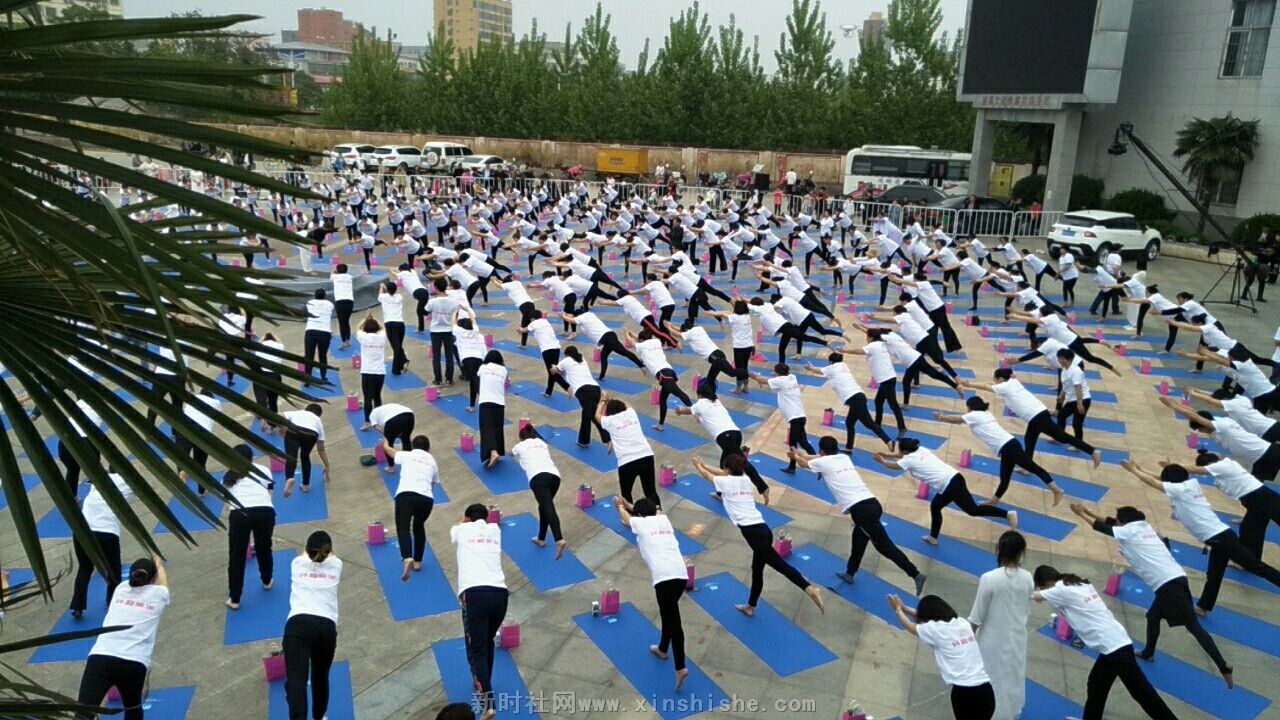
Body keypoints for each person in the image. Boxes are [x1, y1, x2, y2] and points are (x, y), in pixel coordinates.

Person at [1068, 502, 1233, 686]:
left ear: (1123, 523)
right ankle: (1148, 653)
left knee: (1193, 626)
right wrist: (1087, 511)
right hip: (1175, 579)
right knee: (1153, 616)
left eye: (1118, 521)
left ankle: (1223, 666)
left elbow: (1103, 528)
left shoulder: (1128, 531)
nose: (1116, 523)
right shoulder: (1143, 527)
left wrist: (1080, 514)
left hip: (1169, 586)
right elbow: (1110, 522)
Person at [1120, 460, 1280, 613]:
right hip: (1218, 539)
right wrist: (1139, 469)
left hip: (1222, 538)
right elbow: (1159, 479)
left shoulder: (1180, 490)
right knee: (1214, 576)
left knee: (1256, 566)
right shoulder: (1190, 484)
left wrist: (1134, 471)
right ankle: (1203, 607)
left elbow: (1154, 482)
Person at [1033, 565, 1178, 720]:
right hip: (1114, 645)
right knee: (1096, 683)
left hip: (1115, 649)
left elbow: (1034, 596)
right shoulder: (1077, 583)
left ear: (1047, 583)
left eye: (1042, 587)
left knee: (1144, 694)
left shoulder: (1061, 589)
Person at [790, 436, 926, 594]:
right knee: (858, 540)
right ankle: (850, 573)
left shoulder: (823, 462)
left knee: (885, 547)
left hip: (862, 511)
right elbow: (815, 458)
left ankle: (915, 574)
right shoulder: (843, 457)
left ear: (821, 451)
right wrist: (800, 454)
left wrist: (796, 457)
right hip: (872, 504)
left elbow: (804, 464)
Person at [690, 456, 824, 614]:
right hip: (763, 529)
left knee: (781, 566)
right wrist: (704, 464)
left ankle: (810, 589)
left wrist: (698, 466)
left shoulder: (725, 482)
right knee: (757, 571)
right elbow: (721, 473)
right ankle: (751, 606)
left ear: (728, 469)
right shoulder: (745, 479)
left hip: (754, 534)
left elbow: (709, 476)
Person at [872, 438, 1017, 545]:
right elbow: (902, 456)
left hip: (950, 486)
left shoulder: (909, 460)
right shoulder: (921, 450)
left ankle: (1007, 514)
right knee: (936, 506)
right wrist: (886, 455)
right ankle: (933, 537)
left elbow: (895, 466)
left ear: (905, 451)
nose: (899, 453)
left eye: (900, 450)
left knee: (973, 510)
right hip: (954, 478)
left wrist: (882, 461)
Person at [75, 556, 169, 720]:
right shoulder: (159, 594)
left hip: (101, 658)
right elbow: (162, 582)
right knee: (133, 708)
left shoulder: (121, 588)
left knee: (83, 713)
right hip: (134, 663)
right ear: (153, 578)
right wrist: (158, 564)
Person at [615, 496, 689, 690]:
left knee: (674, 622)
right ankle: (663, 648)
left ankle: (680, 667)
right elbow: (651, 511)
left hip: (664, 579)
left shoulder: (640, 523)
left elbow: (626, 518)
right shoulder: (663, 519)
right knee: (668, 614)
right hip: (680, 576)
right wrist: (630, 505)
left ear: (639, 514)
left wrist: (620, 506)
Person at [933, 397, 1065, 505]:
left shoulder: (975, 415)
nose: (966, 409)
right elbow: (960, 421)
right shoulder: (984, 414)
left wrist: (942, 417)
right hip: (1008, 446)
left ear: (971, 407)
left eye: (967, 406)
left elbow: (957, 419)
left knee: (1034, 468)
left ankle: (1056, 490)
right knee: (1004, 478)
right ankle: (994, 501)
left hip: (1009, 447)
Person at [961, 369, 1102, 467]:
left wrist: (969, 384)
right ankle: (1026, 466)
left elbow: (986, 387)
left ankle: (1092, 451)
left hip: (1037, 417)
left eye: (996, 380)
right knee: (1030, 439)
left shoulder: (1005, 387)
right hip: (1038, 414)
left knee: (1062, 437)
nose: (995, 383)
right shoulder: (1013, 382)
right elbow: (990, 384)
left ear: (1001, 379)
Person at [887, 594, 996, 720]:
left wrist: (898, 610)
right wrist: (904, 608)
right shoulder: (962, 623)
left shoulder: (935, 630)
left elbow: (910, 626)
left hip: (965, 695)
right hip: (987, 692)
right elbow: (923, 616)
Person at [450, 504, 508, 720]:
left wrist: (462, 522)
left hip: (475, 595)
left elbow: (454, 533)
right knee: (487, 640)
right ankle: (484, 682)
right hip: (500, 594)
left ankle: (489, 704)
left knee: (477, 649)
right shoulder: (495, 530)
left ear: (467, 518)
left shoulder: (460, 529)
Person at [966, 531, 1032, 720]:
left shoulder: (989, 578)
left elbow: (976, 618)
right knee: (1012, 678)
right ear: (1021, 553)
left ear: (1000, 550)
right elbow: (1025, 608)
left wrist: (967, 645)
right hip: (1017, 638)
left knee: (990, 679)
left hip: (991, 640)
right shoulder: (1027, 577)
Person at [283, 531, 342, 720]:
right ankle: (319, 717)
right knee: (320, 676)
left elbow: (307, 555)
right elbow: (328, 556)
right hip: (326, 627)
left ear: (307, 550)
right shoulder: (337, 565)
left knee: (296, 679)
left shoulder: (297, 563)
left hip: (298, 625)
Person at [1184, 449, 1280, 558]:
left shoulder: (1221, 466)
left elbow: (1193, 469)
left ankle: (1249, 559)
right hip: (1256, 501)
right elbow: (1217, 456)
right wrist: (1207, 453)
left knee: (1250, 529)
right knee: (1249, 530)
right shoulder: (1226, 464)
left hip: (1262, 498)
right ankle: (1250, 559)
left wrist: (1173, 468)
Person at [223, 444, 281, 610]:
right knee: (264, 548)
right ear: (251, 458)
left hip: (239, 514)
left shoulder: (228, 476)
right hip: (265, 511)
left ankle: (235, 598)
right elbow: (270, 493)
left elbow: (226, 501)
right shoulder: (264, 470)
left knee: (237, 555)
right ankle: (267, 580)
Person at [70, 474, 132, 619]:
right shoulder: (125, 484)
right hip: (107, 532)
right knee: (114, 570)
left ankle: (77, 607)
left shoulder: (96, 483)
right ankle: (112, 602)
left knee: (84, 568)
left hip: (82, 531)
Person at [382, 435, 439, 581]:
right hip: (426, 498)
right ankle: (418, 561)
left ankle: (407, 557)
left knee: (403, 527)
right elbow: (432, 484)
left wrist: (386, 442)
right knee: (418, 527)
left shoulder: (407, 455)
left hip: (406, 495)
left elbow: (390, 451)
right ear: (429, 448)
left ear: (413, 446)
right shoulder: (432, 461)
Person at [510, 424, 567, 559]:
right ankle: (541, 538)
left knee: (548, 507)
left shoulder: (520, 446)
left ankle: (559, 539)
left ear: (521, 437)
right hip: (555, 477)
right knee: (544, 507)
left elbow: (510, 454)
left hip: (538, 478)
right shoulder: (541, 443)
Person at [597, 394, 660, 506]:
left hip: (626, 462)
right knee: (650, 491)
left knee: (626, 494)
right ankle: (658, 513)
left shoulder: (609, 421)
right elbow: (627, 404)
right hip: (646, 455)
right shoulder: (631, 413)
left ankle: (629, 515)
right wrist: (612, 398)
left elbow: (597, 414)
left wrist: (604, 401)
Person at [553, 346, 609, 447]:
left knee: (593, 416)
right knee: (586, 415)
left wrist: (554, 367)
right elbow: (570, 372)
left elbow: (555, 370)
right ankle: (583, 441)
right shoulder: (582, 358)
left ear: (567, 355)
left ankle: (608, 438)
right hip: (596, 389)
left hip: (584, 391)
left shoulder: (566, 360)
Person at [282, 404, 331, 491]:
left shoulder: (298, 412)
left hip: (294, 431)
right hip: (311, 434)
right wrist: (327, 465)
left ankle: (289, 478)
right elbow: (321, 448)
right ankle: (305, 485)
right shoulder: (317, 420)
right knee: (305, 457)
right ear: (318, 415)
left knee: (291, 456)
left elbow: (279, 414)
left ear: (306, 409)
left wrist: (281, 427)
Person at [453, 307, 489, 412]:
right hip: (478, 358)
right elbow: (473, 320)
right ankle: (472, 405)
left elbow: (452, 322)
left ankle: (485, 400)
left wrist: (456, 311)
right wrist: (467, 310)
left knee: (474, 381)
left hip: (468, 359)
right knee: (473, 382)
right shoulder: (475, 331)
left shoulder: (459, 332)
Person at [476, 350, 508, 468]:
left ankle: (493, 452)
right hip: (499, 403)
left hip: (486, 401)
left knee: (487, 428)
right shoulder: (504, 370)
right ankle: (497, 450)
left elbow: (477, 376)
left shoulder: (483, 367)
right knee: (497, 428)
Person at [356, 314, 388, 428]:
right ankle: (378, 420)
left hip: (367, 372)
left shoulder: (363, 337)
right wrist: (374, 319)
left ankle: (367, 422)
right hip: (380, 372)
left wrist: (365, 319)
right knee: (377, 396)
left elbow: (358, 328)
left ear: (365, 328)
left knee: (367, 398)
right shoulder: (382, 337)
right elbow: (382, 327)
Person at [303, 289, 333, 383]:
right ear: (324, 296)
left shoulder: (310, 302)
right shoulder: (330, 304)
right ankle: (323, 377)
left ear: (315, 295)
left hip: (311, 331)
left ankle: (307, 379)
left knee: (309, 356)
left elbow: (304, 311)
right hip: (325, 332)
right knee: (323, 356)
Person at [331, 264, 355, 349]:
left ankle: (344, 341)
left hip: (340, 301)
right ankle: (347, 340)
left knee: (342, 323)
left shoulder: (335, 277)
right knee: (346, 322)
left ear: (337, 270)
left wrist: (335, 272)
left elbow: (331, 274)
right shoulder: (350, 277)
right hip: (350, 301)